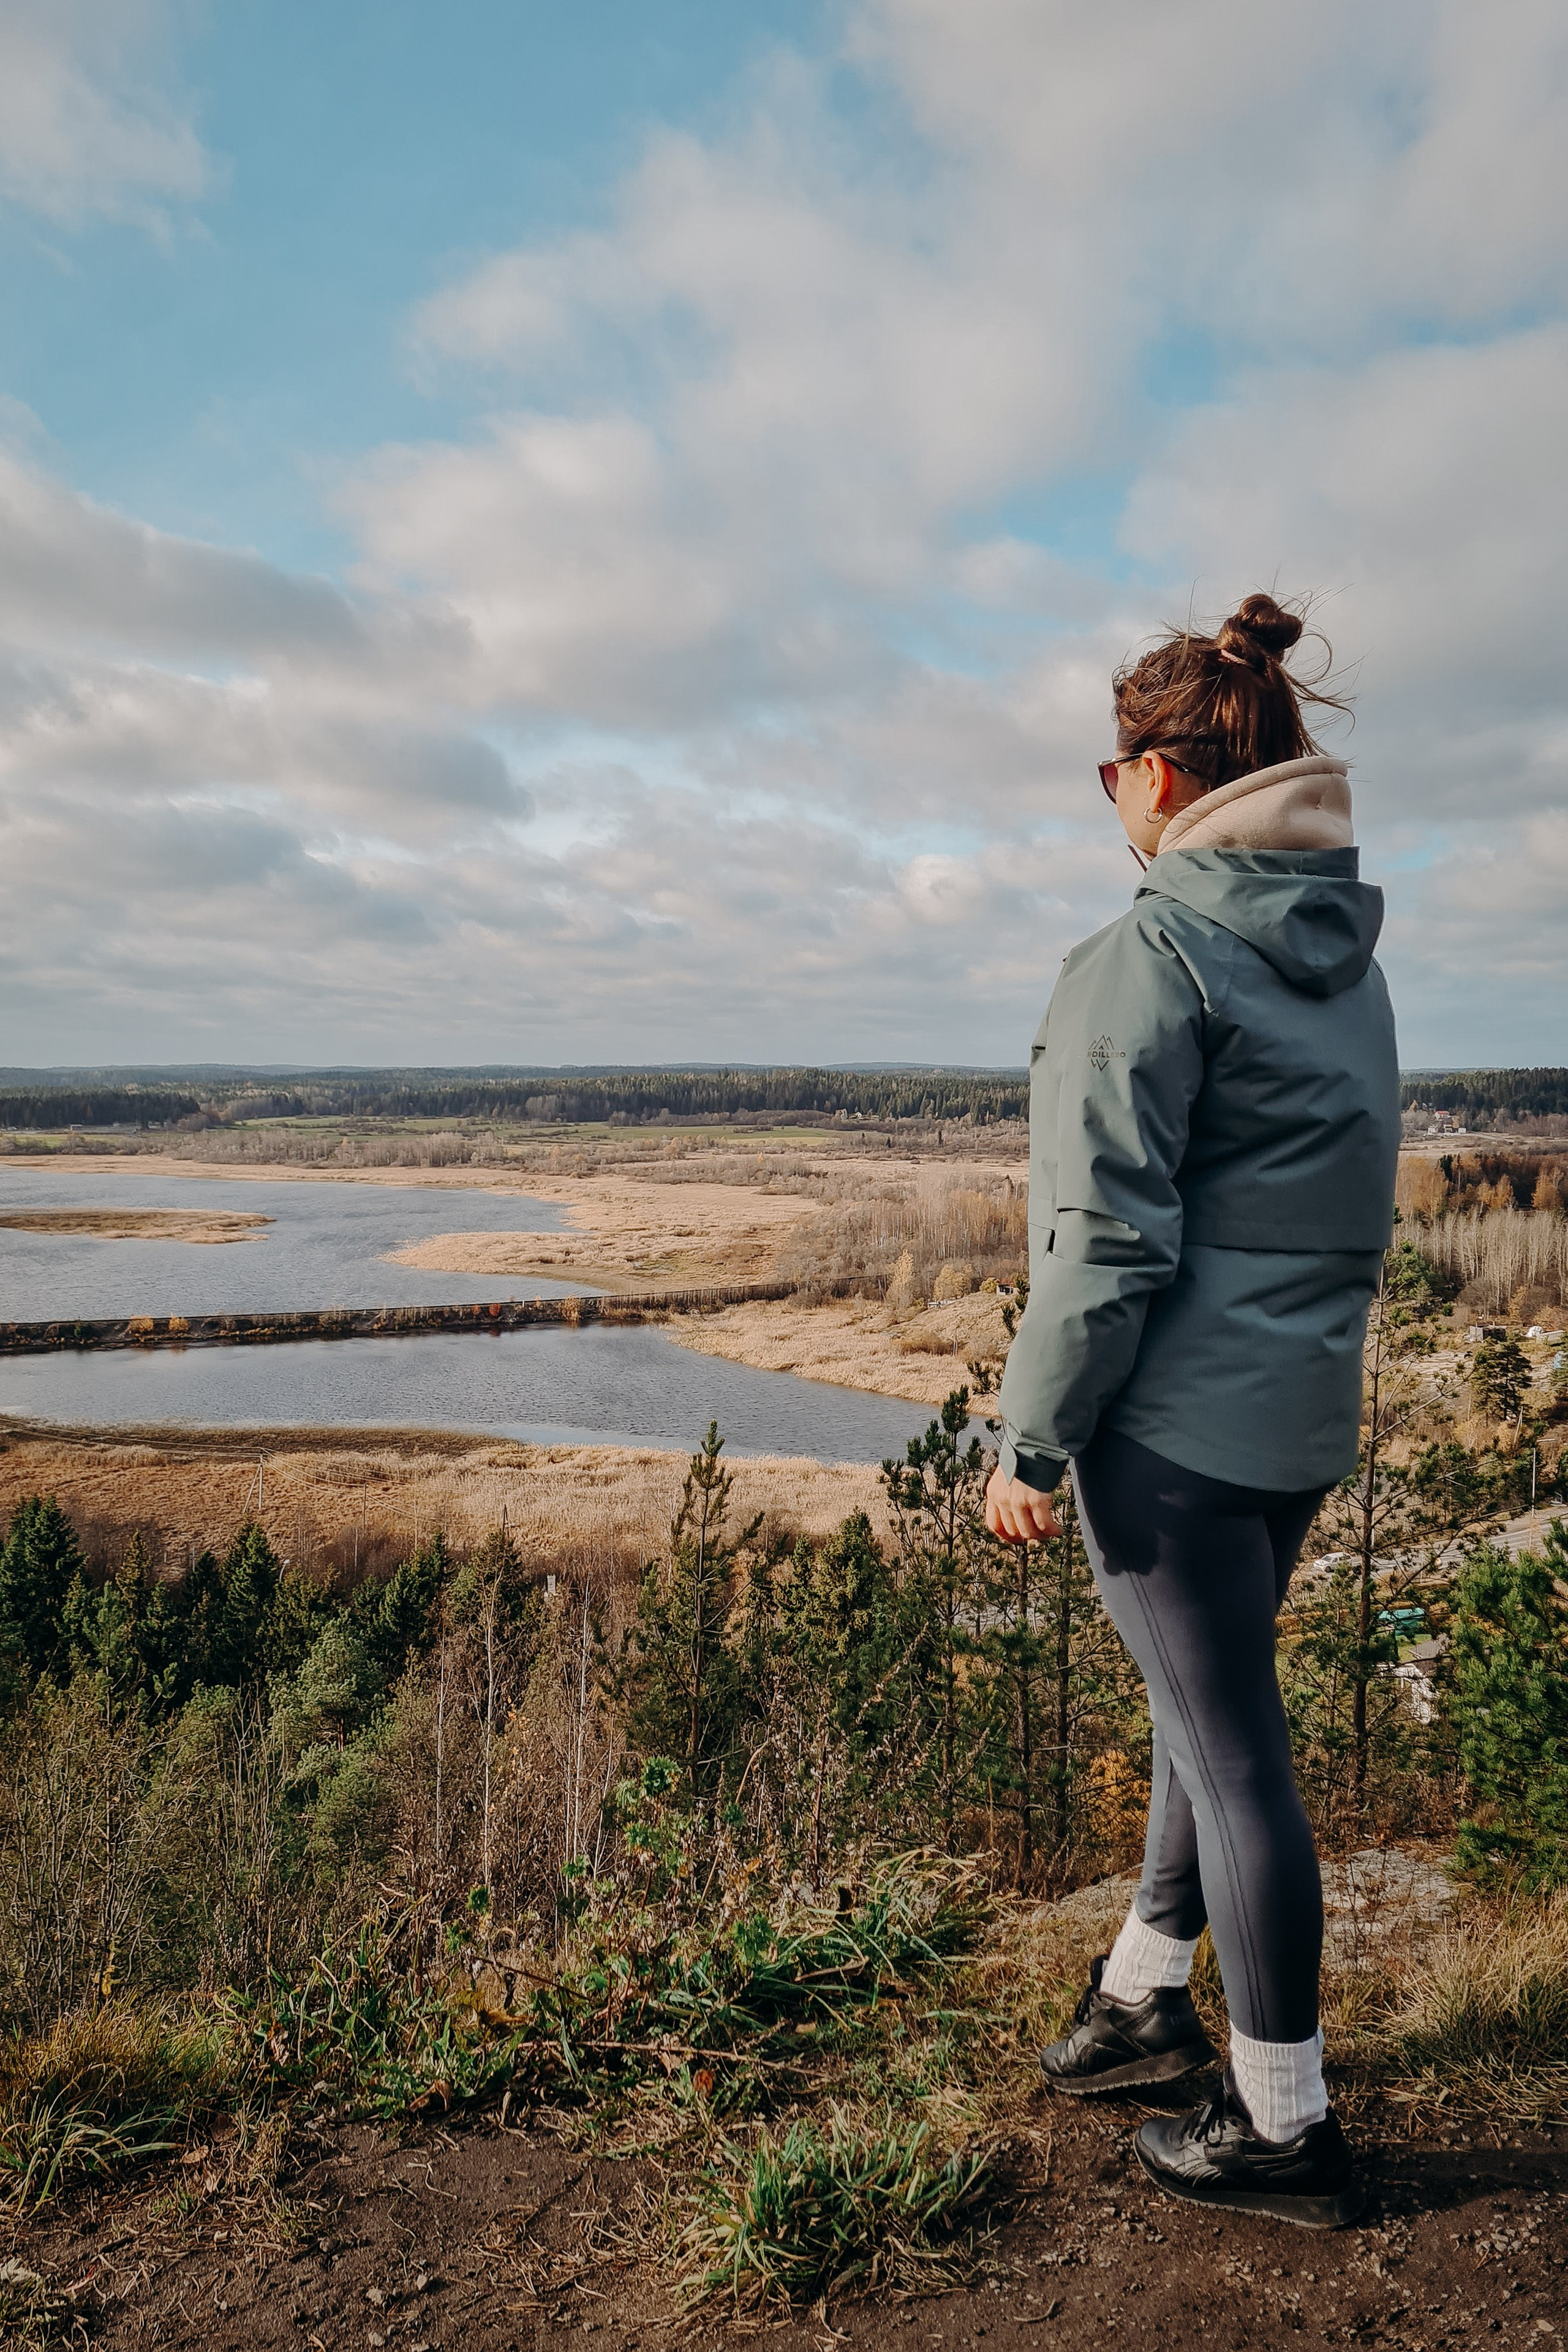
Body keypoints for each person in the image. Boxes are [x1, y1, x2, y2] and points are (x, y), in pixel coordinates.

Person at [985, 592, 1398, 2230]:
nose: (1106, 801)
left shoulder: (1148, 955)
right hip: (1295, 1421)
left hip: (1174, 1439)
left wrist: (1031, 1441)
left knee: (1234, 1762)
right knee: (1200, 1709)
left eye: (1110, 774)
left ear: (1162, 785)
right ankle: (1147, 2003)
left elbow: (1102, 1246)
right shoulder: (1341, 959)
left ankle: (1284, 2123)